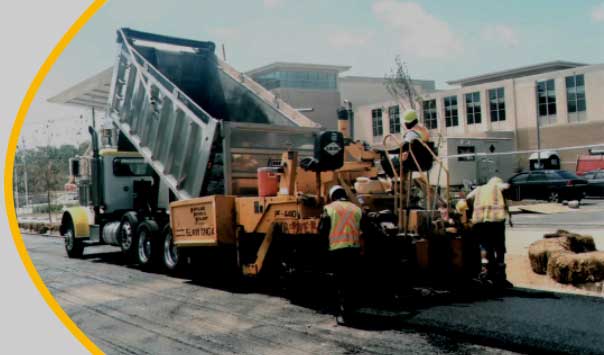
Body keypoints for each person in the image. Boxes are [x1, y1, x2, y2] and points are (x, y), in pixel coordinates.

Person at [318, 185, 363, 325]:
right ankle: (351, 310)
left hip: (337, 251)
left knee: (340, 282)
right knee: (351, 282)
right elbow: (365, 229)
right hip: (354, 250)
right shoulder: (357, 209)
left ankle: (343, 314)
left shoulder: (330, 208)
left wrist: (322, 251)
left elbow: (322, 231)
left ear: (332, 196)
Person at [466, 177, 514, 287]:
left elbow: (468, 198)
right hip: (496, 222)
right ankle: (500, 275)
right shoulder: (497, 186)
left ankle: (485, 272)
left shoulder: (479, 189)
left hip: (479, 222)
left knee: (484, 246)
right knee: (499, 248)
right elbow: (508, 187)